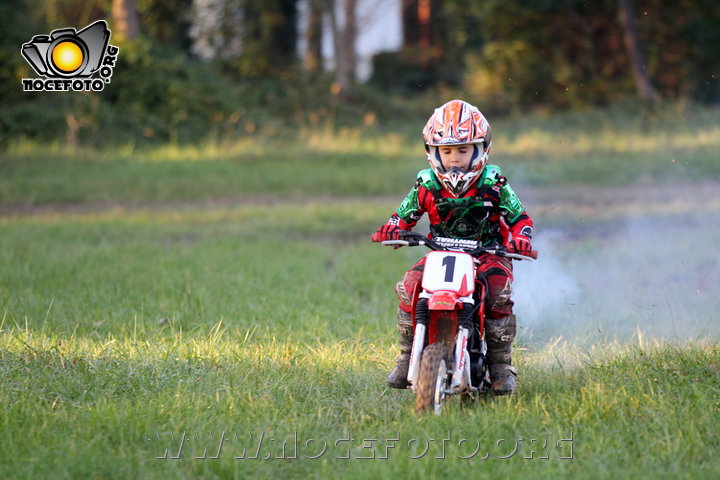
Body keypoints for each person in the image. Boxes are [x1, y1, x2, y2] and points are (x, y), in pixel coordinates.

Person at [371, 99, 534, 395]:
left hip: (487, 253)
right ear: (433, 152)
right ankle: (408, 354)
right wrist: (393, 228)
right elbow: (402, 215)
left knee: (498, 293)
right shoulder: (427, 184)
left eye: (463, 150)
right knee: (409, 286)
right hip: (439, 253)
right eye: (447, 152)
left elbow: (520, 217)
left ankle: (501, 365)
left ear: (481, 149)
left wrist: (521, 238)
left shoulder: (493, 183)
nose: (455, 159)